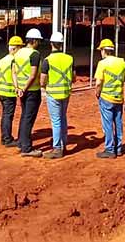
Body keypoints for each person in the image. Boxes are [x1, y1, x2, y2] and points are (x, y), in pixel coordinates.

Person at [39, 31, 74, 159]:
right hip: (66, 92)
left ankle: (57, 148)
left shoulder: (47, 60)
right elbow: (74, 77)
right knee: (63, 118)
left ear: (51, 44)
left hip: (53, 94)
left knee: (56, 121)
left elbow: (42, 80)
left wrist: (45, 86)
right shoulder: (69, 59)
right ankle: (63, 144)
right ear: (61, 44)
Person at [93, 38, 125, 159]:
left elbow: (98, 83)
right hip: (119, 97)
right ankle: (118, 149)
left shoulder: (102, 64)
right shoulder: (122, 63)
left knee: (107, 124)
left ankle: (109, 149)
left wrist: (97, 93)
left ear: (103, 51)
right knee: (118, 122)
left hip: (106, 97)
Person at [14, 28, 44, 158]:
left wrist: (18, 88)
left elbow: (14, 72)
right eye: (39, 41)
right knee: (28, 118)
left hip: (21, 90)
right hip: (31, 91)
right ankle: (26, 147)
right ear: (35, 41)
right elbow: (32, 75)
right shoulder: (35, 54)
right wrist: (25, 89)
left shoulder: (18, 53)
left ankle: (21, 142)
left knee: (24, 116)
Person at [0, 35, 24, 147]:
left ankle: (5, 137)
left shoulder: (3, 60)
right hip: (9, 92)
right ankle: (7, 139)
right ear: (15, 48)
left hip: (1, 91)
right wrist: (18, 88)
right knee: (8, 115)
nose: (20, 50)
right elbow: (15, 75)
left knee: (5, 115)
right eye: (20, 48)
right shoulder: (14, 60)